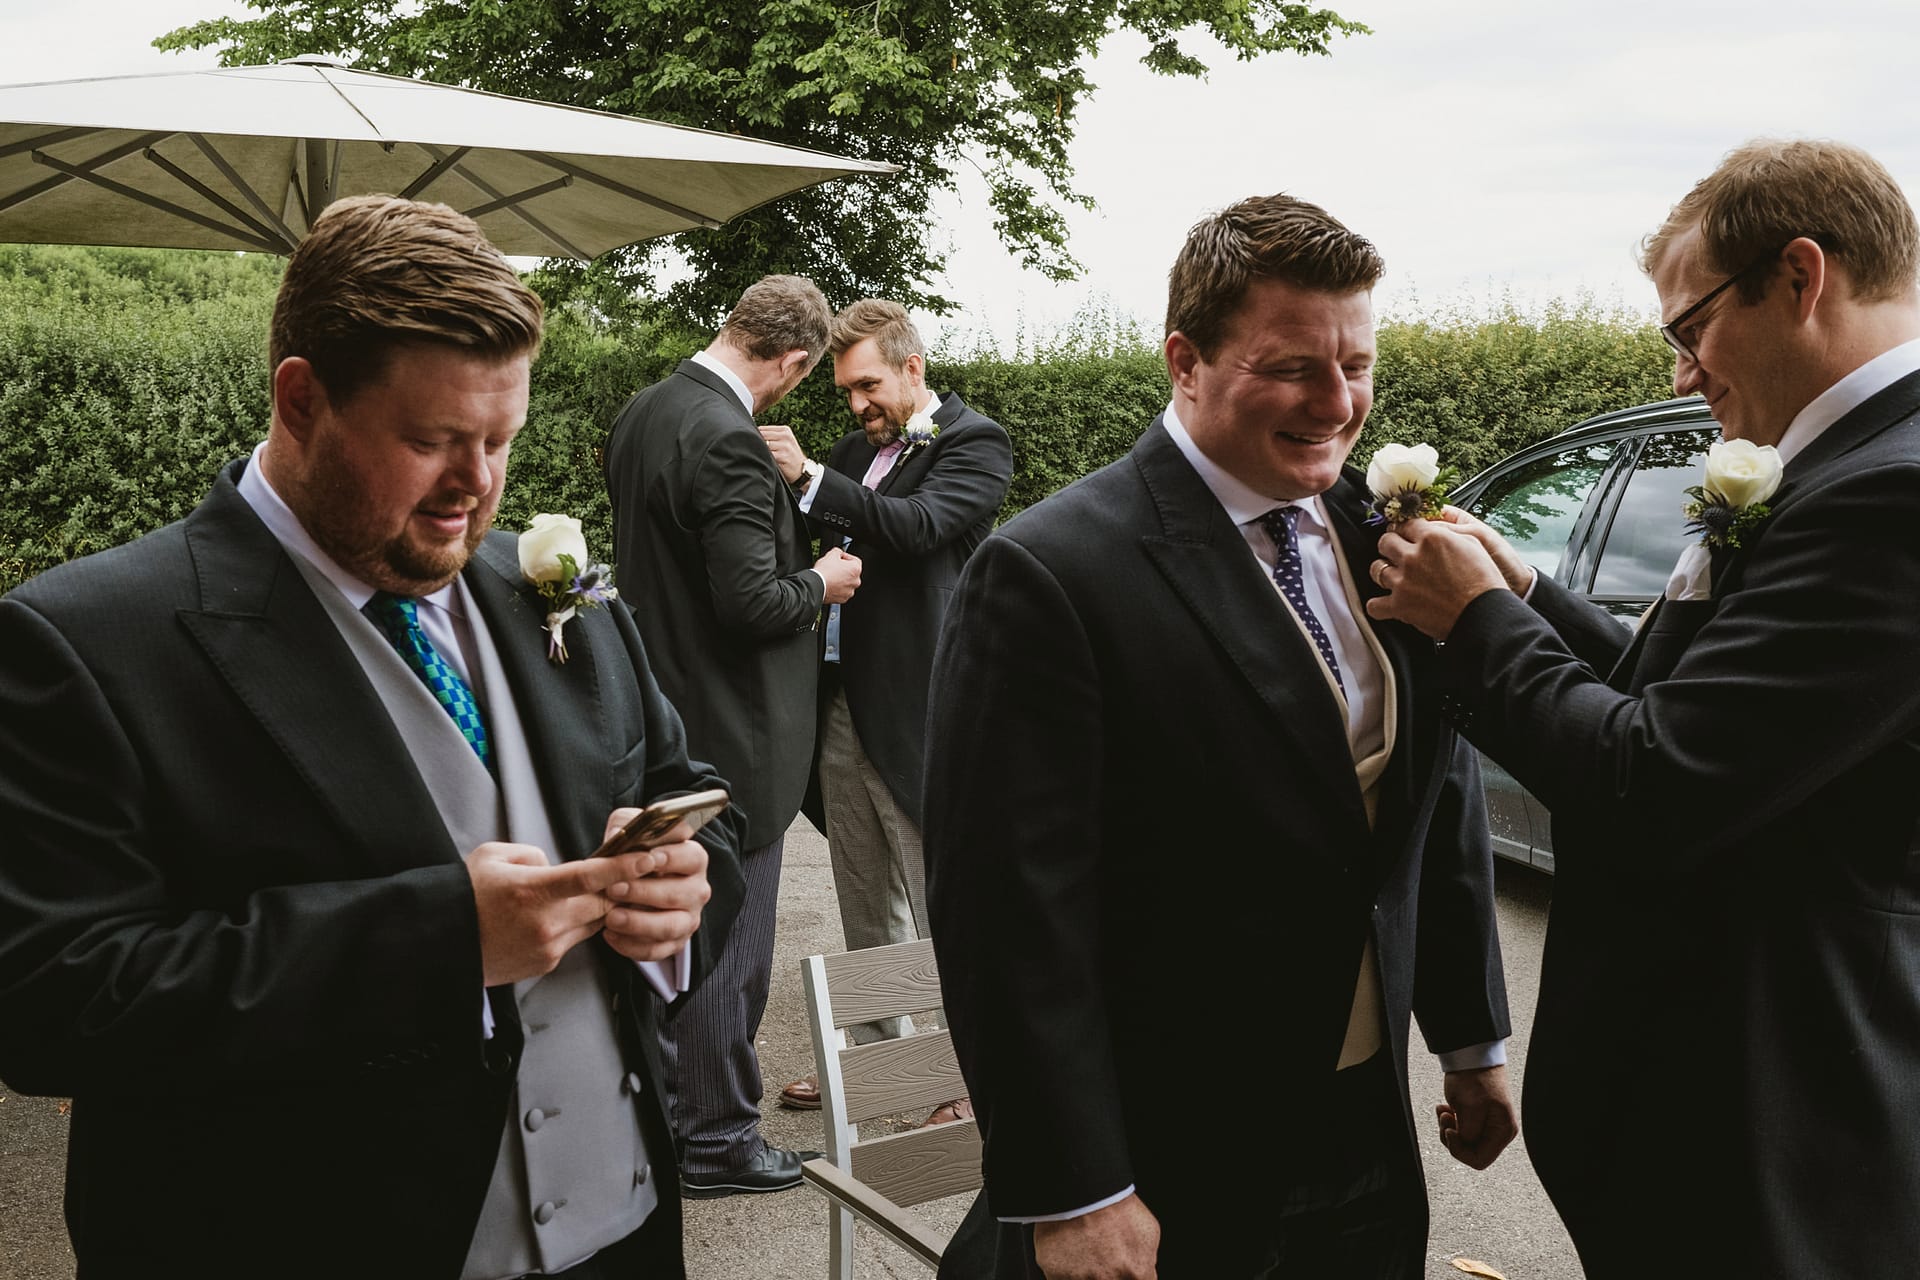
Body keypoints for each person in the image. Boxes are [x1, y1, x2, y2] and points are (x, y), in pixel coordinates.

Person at [0, 195, 741, 1279]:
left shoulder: (561, 594)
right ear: (301, 399)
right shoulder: (84, 639)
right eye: (431, 441)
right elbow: (51, 1002)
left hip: (625, 1239)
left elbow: (695, 799)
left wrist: (680, 900)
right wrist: (436, 943)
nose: (476, 485)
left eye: (499, 439)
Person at [923, 193, 1516, 1280]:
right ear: (1185, 361)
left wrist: (1471, 1039)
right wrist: (1077, 1187)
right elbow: (1009, 909)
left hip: (1364, 1132)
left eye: (1357, 364)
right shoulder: (1051, 572)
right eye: (1292, 367)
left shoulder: (1388, 539)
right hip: (1164, 1150)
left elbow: (1437, 796)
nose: (1336, 403)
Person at [1370, 138, 1920, 1278]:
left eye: (1690, 328)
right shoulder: (1849, 463)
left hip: (1777, 1124)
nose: (1681, 374)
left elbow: (1656, 781)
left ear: (1799, 277)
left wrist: (1475, 621)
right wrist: (1528, 593)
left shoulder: (1891, 491)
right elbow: (1701, 709)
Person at [602, 274, 859, 1197]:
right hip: (736, 736)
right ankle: (714, 1141)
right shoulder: (729, 439)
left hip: (661, 712)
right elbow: (751, 602)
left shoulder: (645, 412)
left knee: (675, 929)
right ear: (793, 361)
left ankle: (665, 1122)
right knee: (728, 947)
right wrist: (822, 583)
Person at [758, 299, 1012, 1113]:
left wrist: (809, 479)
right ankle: (877, 1069)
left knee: (942, 900)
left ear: (912, 367)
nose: (857, 404)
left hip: (922, 705)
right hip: (839, 697)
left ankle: (965, 1077)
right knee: (864, 894)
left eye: (868, 386)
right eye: (845, 390)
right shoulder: (849, 452)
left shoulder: (974, 442)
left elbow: (918, 526)